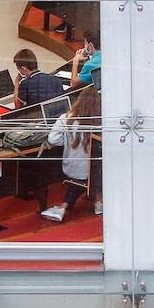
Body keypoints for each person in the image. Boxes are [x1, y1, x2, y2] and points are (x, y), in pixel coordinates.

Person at [41, 87, 102, 221]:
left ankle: (63, 207)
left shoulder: (65, 118)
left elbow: (53, 140)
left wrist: (67, 140)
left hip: (71, 168)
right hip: (93, 172)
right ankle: (98, 201)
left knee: (83, 177)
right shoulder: (100, 122)